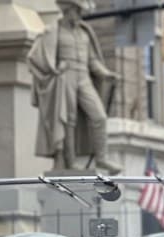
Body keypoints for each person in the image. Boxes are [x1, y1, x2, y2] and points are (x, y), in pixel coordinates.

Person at [28, 0, 122, 174]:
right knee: (68, 120)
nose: (79, 15)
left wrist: (105, 73)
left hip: (84, 77)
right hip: (66, 78)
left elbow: (93, 61)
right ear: (68, 10)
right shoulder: (52, 32)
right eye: (77, 11)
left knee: (99, 116)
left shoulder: (85, 33)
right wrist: (54, 69)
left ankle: (102, 158)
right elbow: (35, 58)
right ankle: (69, 161)